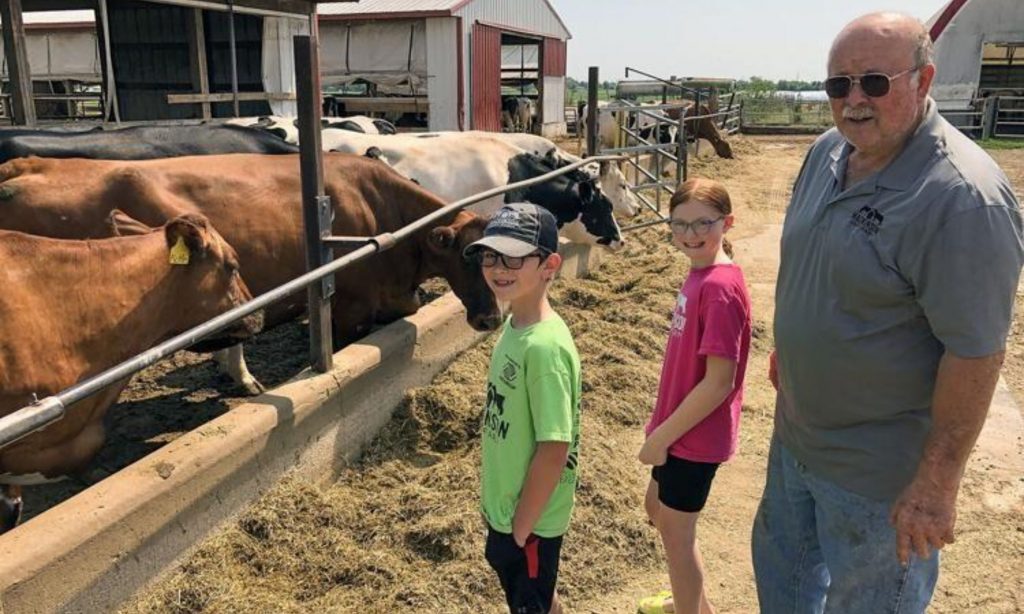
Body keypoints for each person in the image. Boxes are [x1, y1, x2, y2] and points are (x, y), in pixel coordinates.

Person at [754, 12, 1024, 613]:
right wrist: (794, 351)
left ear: (923, 80)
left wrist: (935, 485)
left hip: (879, 477)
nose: (853, 100)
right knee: (784, 583)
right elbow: (815, 264)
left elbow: (975, 350)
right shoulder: (828, 152)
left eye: (874, 83)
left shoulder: (960, 199)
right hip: (796, 439)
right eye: (837, 85)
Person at [637, 178, 752, 614]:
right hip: (677, 426)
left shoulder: (719, 289)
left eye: (703, 222)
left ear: (727, 223)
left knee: (677, 538)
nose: (690, 233)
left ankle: (688, 607)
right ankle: (693, 605)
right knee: (659, 511)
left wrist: (662, 437)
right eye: (679, 224)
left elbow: (719, 382)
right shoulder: (700, 274)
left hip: (695, 437)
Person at [464, 203, 582, 614]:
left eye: (514, 255)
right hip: (511, 506)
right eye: (490, 255)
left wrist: (518, 532)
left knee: (529, 603)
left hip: (529, 523)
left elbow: (554, 449)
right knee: (538, 599)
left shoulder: (544, 348)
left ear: (549, 264)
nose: (499, 266)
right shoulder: (515, 327)